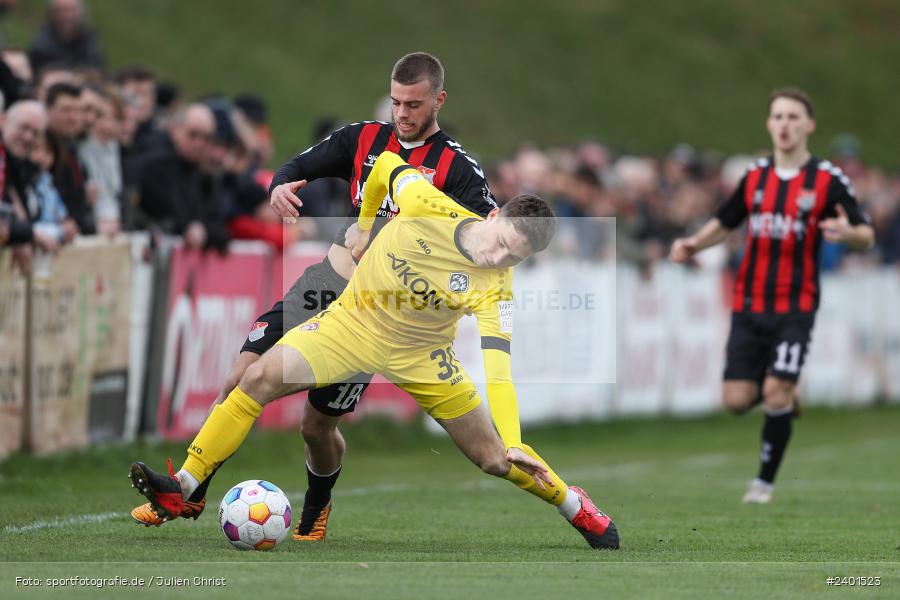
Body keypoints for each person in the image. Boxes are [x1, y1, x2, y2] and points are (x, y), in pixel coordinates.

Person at [130, 150, 620, 550]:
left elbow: (499, 370)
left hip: (425, 358)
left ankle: (573, 505)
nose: (499, 258)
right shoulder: (427, 202)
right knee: (256, 379)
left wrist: (513, 436)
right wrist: (365, 224)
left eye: (515, 257)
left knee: (495, 459)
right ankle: (186, 487)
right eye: (502, 243)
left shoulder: (497, 286)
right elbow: (385, 164)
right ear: (492, 215)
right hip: (351, 326)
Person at [129, 52, 497, 541]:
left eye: (413, 104)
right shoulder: (362, 138)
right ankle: (185, 491)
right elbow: (298, 165)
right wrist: (281, 187)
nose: (402, 114)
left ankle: (315, 509)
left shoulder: (459, 169)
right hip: (325, 281)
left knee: (315, 427)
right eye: (395, 103)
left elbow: (487, 239)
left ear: (438, 101)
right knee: (241, 375)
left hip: (373, 313)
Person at [669, 87, 874, 503]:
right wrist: (693, 244)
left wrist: (849, 233)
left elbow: (866, 234)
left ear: (808, 126)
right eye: (778, 117)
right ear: (769, 124)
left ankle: (762, 483)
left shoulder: (828, 180)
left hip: (796, 305)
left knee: (776, 392)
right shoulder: (756, 177)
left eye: (793, 117)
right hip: (748, 303)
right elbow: (726, 222)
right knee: (736, 400)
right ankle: (783, 389)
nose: (785, 125)